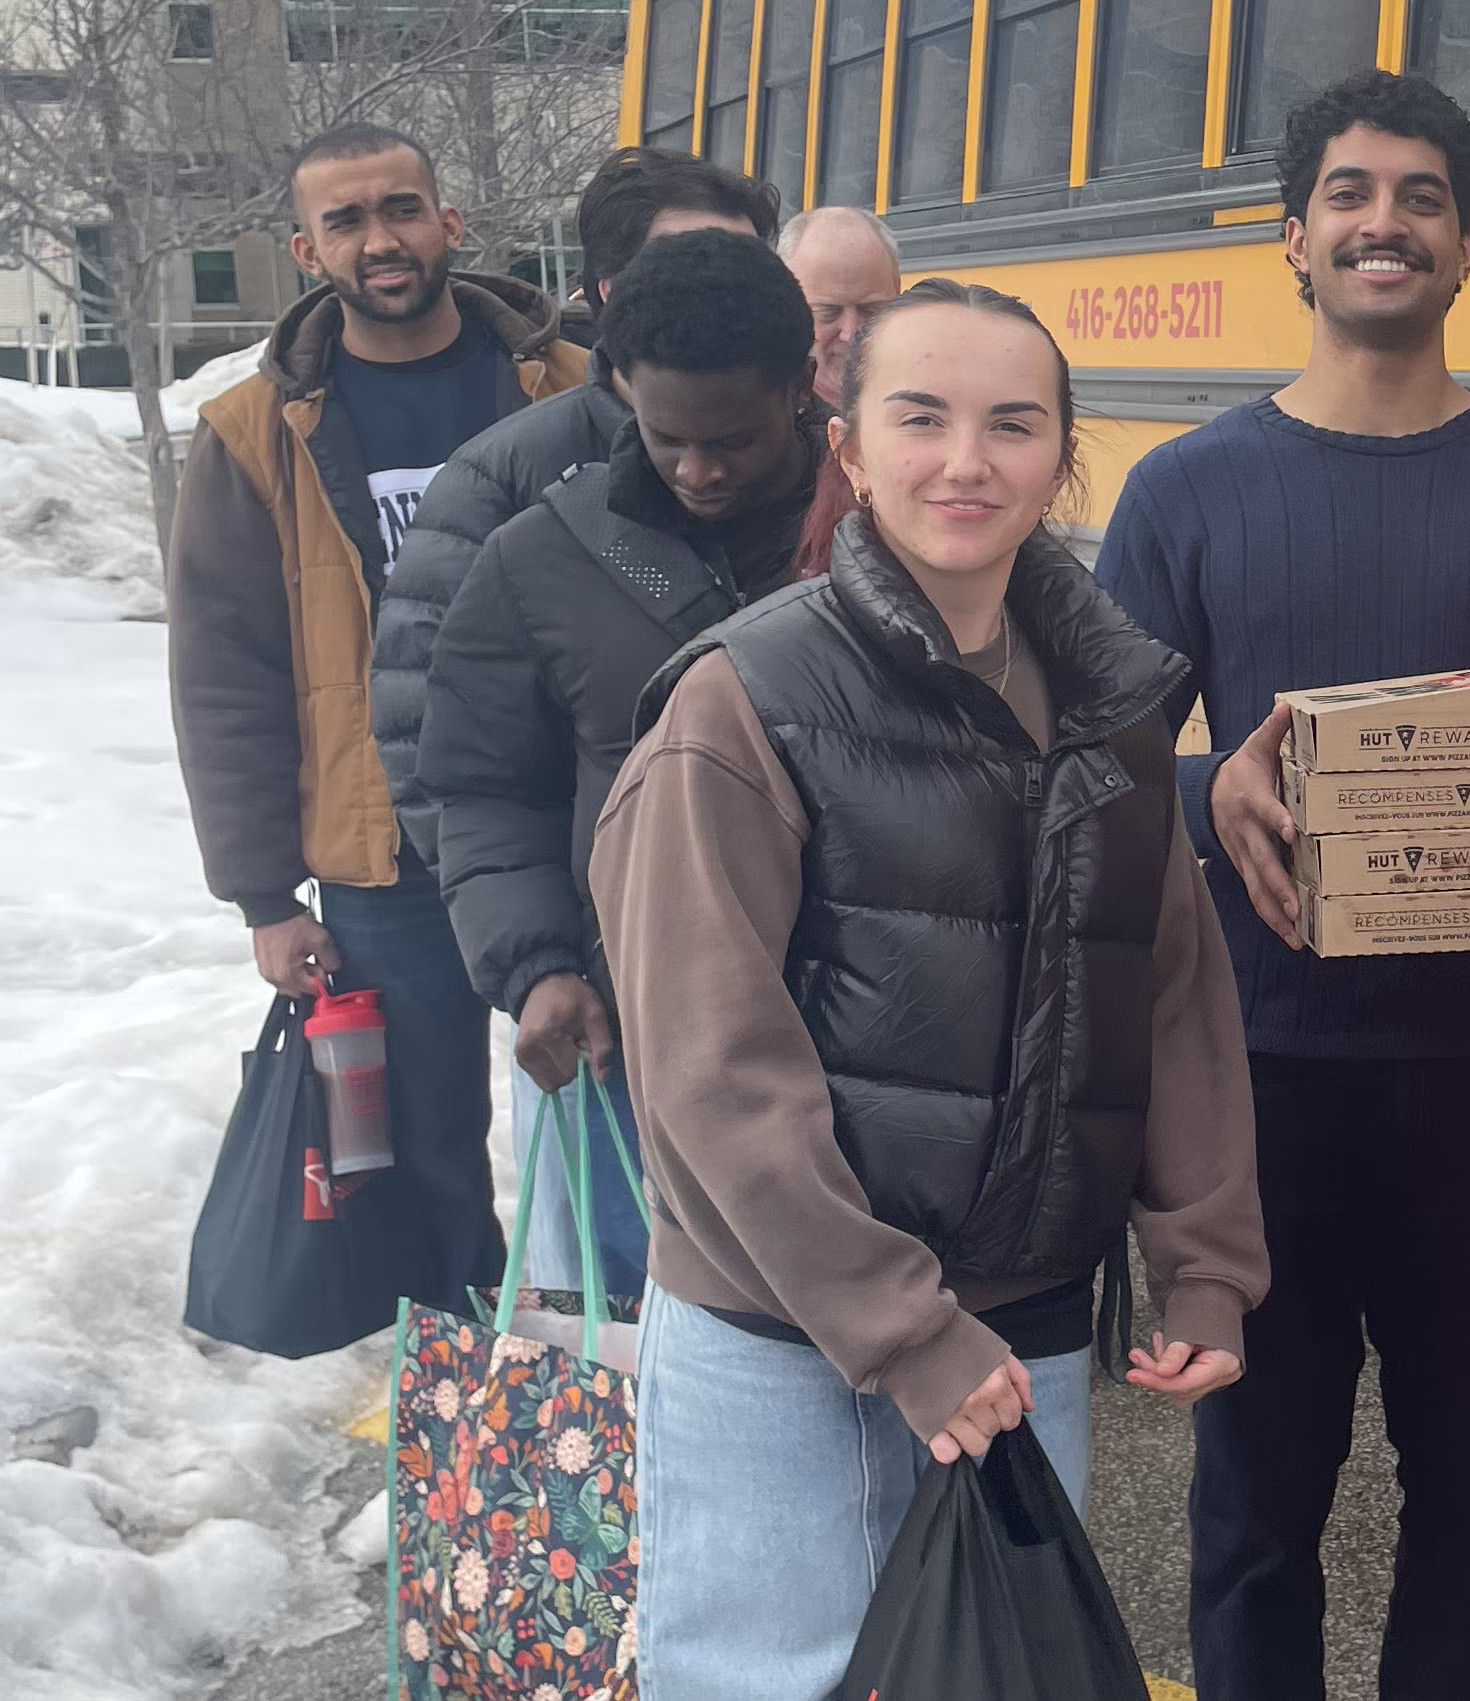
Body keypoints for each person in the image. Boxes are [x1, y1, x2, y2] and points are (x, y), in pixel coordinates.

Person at [591, 278, 1268, 1697]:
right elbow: (713, 1067)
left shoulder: (1113, 705)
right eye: (923, 418)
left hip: (1021, 1326)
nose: (968, 461)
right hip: (790, 1337)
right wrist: (903, 1329)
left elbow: (1173, 996)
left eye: (1014, 425)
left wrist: (1203, 1262)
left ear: (1062, 456)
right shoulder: (744, 702)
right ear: (847, 450)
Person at [1095, 70, 1470, 1701]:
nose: (1383, 223)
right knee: (1254, 1513)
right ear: (1292, 236)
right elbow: (1092, 768)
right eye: (1349, 194)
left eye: (1421, 198)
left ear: (1466, 242)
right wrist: (1225, 793)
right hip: (1249, 1086)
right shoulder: (1186, 496)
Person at [166, 124, 590, 1317]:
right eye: (346, 223)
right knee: (424, 1145)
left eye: (400, 209)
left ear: (450, 225)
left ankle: (622, 1358)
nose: (380, 240)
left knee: (612, 1113)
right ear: (308, 249)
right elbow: (224, 676)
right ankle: (461, 1374)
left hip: (576, 819)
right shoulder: (257, 433)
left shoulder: (564, 383)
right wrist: (263, 897)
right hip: (387, 846)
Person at [370, 146, 778, 1286]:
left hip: (832, 1019)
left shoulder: (867, 498)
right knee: (635, 1308)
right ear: (610, 304)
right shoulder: (517, 502)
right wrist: (537, 957)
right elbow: (455, 757)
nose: (699, 467)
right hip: (622, 1014)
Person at [778, 205, 902, 407]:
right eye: (828, 312)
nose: (851, 332)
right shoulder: (760, 419)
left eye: (871, 310)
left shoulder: (939, 396)